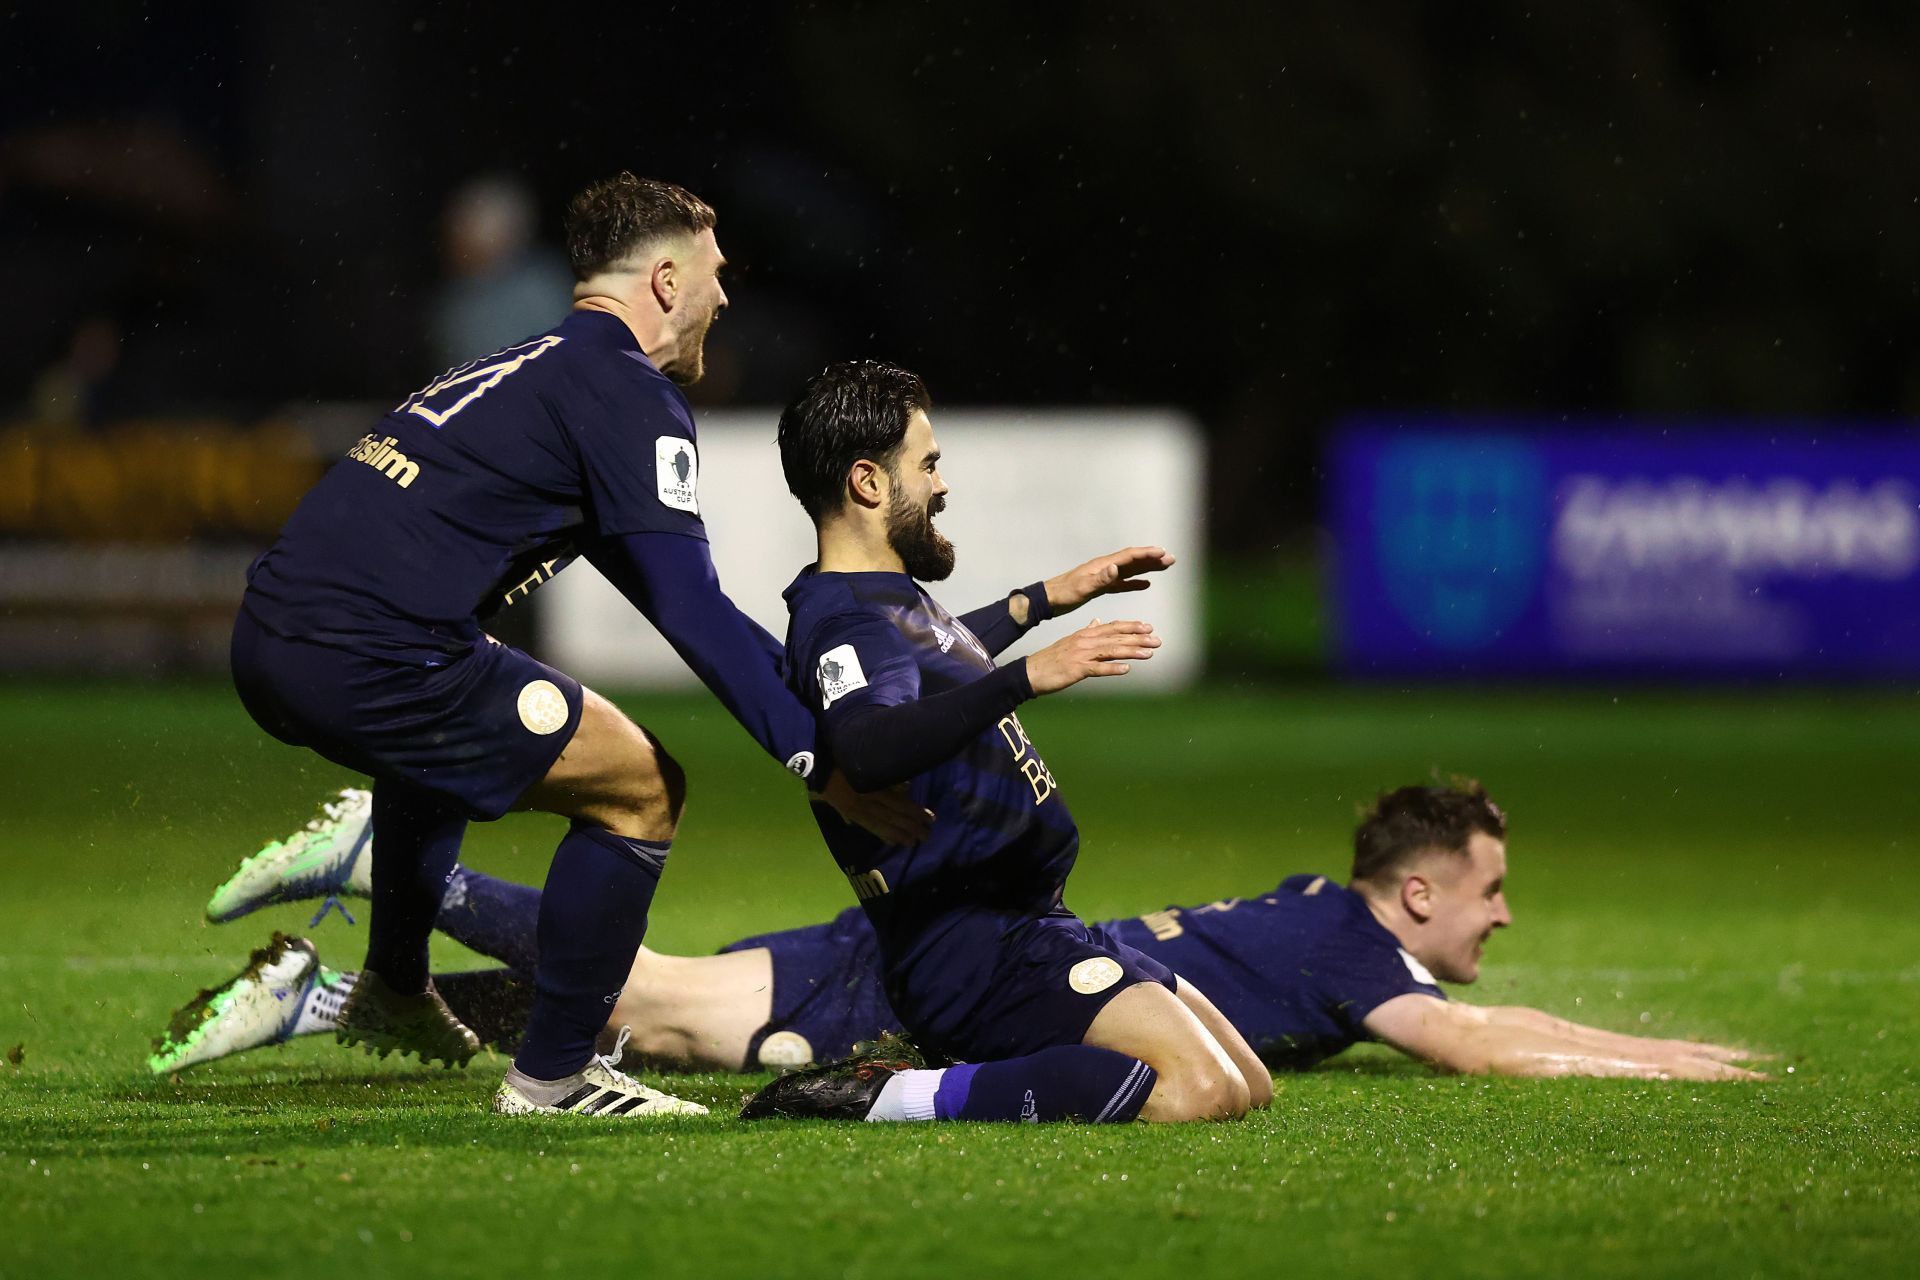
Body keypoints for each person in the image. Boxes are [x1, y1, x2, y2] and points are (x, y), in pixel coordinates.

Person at [225, 175, 925, 1120]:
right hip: (367, 651)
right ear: (668, 282)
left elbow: (667, 594)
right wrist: (822, 759)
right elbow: (695, 610)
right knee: (642, 788)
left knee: (444, 737)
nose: (726, 297)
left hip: (271, 631)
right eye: (715, 275)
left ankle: (394, 987)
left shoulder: (537, 364)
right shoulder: (626, 393)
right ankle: (554, 1077)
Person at [156, 783, 1764, 1084]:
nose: (1506, 914)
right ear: (1414, 894)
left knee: (651, 1012)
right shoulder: (1357, 955)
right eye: (1489, 889)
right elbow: (1483, 1042)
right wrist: (1666, 1062)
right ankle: (386, 859)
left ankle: (336, 1006)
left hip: (964, 952)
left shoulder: (1311, 914)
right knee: (650, 1004)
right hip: (976, 977)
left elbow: (1487, 1017)